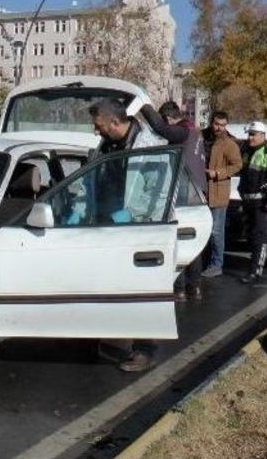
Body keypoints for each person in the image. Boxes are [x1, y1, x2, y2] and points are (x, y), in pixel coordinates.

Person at [88, 98, 165, 373]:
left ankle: (145, 349)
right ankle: (93, 337)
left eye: (98, 125)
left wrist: (130, 215)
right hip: (106, 227)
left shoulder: (150, 146)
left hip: (140, 230)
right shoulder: (107, 144)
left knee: (140, 292)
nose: (95, 130)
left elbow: (159, 193)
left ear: (114, 122)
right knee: (103, 286)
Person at [140, 101, 207, 301]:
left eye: (165, 120)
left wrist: (144, 107)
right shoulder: (194, 131)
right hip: (197, 190)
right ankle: (195, 287)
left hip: (184, 190)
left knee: (177, 239)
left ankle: (179, 288)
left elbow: (161, 129)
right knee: (192, 241)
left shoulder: (183, 130)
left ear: (169, 117)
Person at [238, 121, 267, 284]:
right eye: (249, 134)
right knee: (251, 236)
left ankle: (255, 272)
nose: (250, 137)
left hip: (262, 203)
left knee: (259, 236)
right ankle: (260, 261)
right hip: (248, 202)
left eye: (253, 134)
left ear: (262, 135)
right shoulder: (247, 151)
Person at [200, 111, 243, 278]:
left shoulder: (229, 144)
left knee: (216, 232)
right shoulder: (201, 137)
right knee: (202, 230)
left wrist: (218, 173)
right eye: (217, 124)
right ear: (211, 122)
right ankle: (202, 263)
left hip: (218, 193)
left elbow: (237, 165)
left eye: (223, 125)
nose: (220, 128)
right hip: (200, 191)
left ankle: (216, 264)